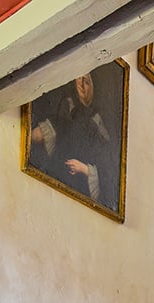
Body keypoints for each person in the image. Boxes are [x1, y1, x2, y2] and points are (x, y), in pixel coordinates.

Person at [28, 71, 119, 212]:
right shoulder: (65, 111)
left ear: (93, 88)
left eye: (87, 82)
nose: (82, 86)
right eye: (79, 80)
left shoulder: (99, 123)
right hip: (57, 182)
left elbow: (108, 168)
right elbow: (38, 135)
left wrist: (85, 169)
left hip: (83, 192)